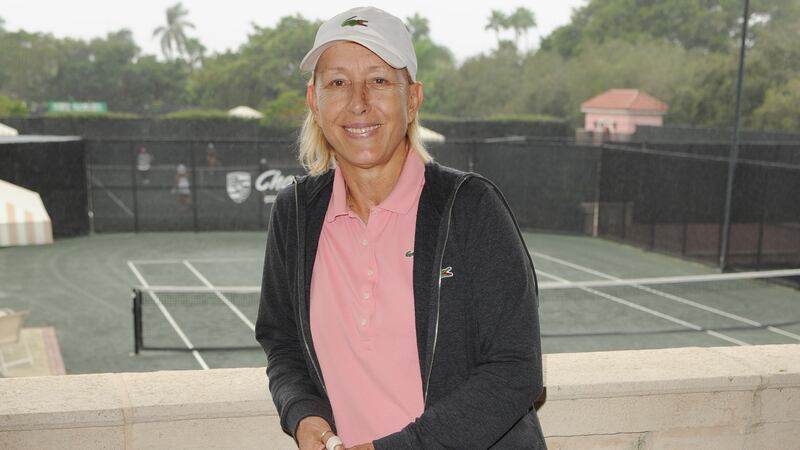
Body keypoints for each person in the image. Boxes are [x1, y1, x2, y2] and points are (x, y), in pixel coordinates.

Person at [255, 7, 545, 450]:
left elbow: (515, 369)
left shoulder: (471, 206)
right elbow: (283, 341)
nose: (358, 102)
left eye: (378, 80)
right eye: (336, 82)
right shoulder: (294, 214)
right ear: (314, 102)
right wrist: (303, 414)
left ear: (412, 99)